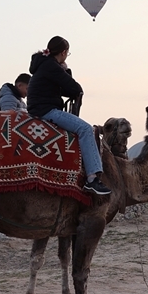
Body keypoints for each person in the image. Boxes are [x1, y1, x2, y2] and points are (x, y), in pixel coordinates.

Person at [27, 36, 111, 195]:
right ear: (64, 52)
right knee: (86, 129)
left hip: (38, 108)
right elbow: (75, 89)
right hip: (46, 111)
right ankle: (92, 179)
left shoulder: (44, 65)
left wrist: (63, 71)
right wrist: (65, 70)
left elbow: (66, 90)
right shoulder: (51, 66)